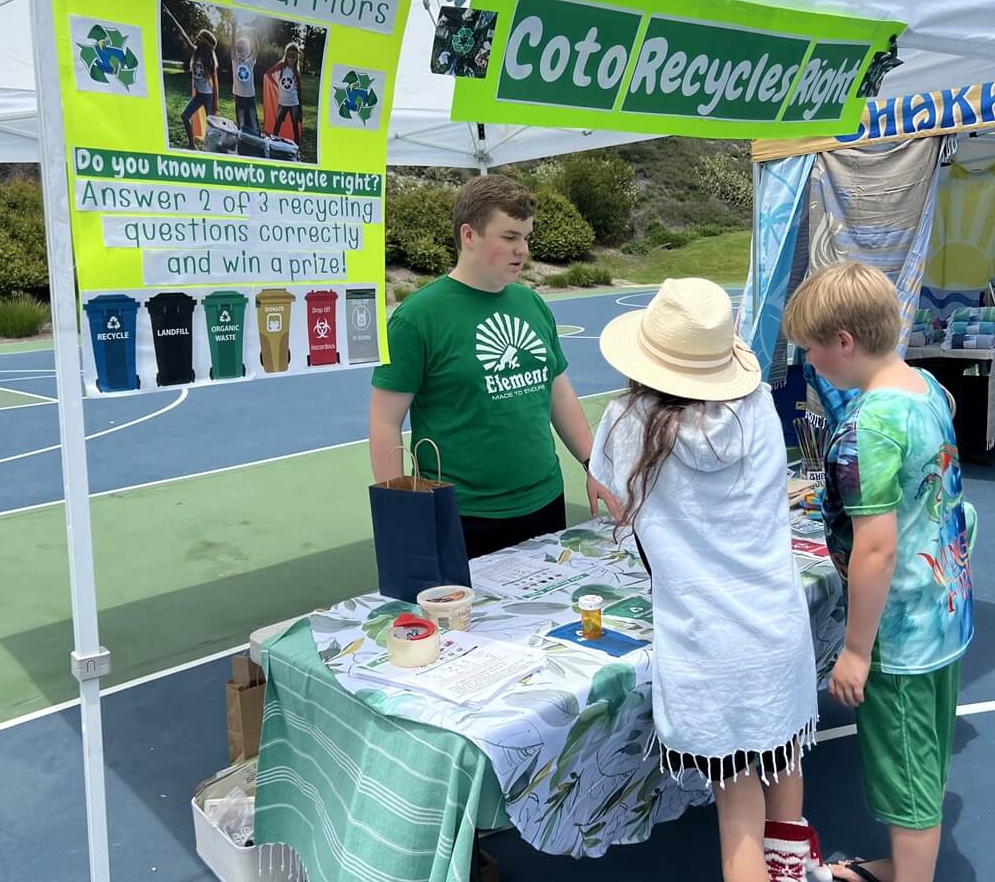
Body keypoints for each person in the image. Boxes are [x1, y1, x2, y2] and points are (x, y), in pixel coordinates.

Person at [590, 277, 828, 882]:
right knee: (784, 770)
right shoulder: (756, 410)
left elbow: (616, 502)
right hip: (775, 627)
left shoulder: (624, 421)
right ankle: (791, 873)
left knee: (738, 810)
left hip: (706, 646)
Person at [782, 261, 974, 882]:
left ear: (843, 342)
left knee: (906, 767)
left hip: (901, 633)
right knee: (927, 749)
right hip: (945, 608)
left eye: (810, 348)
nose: (809, 362)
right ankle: (899, 866)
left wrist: (857, 652)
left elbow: (875, 548)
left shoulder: (869, 425)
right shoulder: (926, 389)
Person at [369, 174, 619, 558]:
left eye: (527, 237)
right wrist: (404, 516)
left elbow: (558, 394)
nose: (522, 250)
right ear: (469, 235)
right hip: (462, 515)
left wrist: (593, 464)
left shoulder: (532, 304)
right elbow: (385, 422)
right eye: (509, 237)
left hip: (545, 502)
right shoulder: (416, 319)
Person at [177, 29, 219, 150]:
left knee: (212, 124)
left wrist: (216, 103)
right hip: (199, 95)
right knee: (185, 116)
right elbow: (185, 36)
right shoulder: (196, 52)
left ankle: (212, 147)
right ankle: (191, 145)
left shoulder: (209, 58)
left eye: (199, 37)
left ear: (204, 42)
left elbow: (215, 83)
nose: (196, 39)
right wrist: (171, 17)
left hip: (208, 96)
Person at [268, 42, 303, 143]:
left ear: (296, 57)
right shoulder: (281, 66)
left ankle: (296, 144)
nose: (291, 58)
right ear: (286, 55)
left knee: (294, 123)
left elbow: (298, 88)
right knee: (278, 122)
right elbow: (269, 73)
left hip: (293, 102)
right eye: (289, 56)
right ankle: (273, 141)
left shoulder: (296, 71)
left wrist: (293, 68)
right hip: (283, 102)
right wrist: (276, 83)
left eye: (294, 56)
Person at [231, 30, 258, 133]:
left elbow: (257, 50)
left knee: (253, 123)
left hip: (250, 97)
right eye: (239, 50)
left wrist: (255, 37)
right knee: (241, 124)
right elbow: (232, 46)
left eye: (244, 50)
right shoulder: (235, 61)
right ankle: (242, 144)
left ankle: (255, 141)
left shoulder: (250, 62)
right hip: (239, 97)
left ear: (248, 52)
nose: (241, 52)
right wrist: (233, 29)